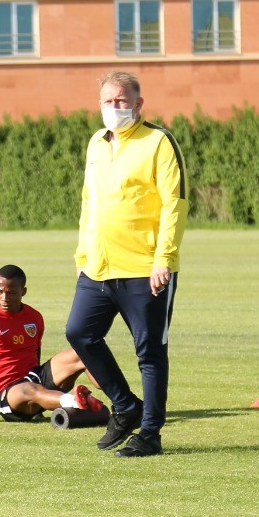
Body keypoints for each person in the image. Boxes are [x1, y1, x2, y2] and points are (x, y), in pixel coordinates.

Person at [65, 71, 186, 458]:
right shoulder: (96, 143)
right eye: (107, 101)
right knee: (79, 333)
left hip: (144, 268)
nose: (113, 108)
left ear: (138, 104)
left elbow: (175, 205)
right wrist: (82, 255)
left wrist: (162, 260)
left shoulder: (158, 142)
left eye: (121, 101)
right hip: (98, 267)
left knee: (149, 351)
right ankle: (125, 404)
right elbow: (89, 203)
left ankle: (150, 433)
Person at [0, 265, 106, 423]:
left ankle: (118, 399)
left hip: (34, 379)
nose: (4, 298)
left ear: (23, 292)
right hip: (6, 395)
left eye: (11, 293)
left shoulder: (34, 317)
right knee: (30, 389)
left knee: (81, 353)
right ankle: (77, 402)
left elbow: (35, 355)